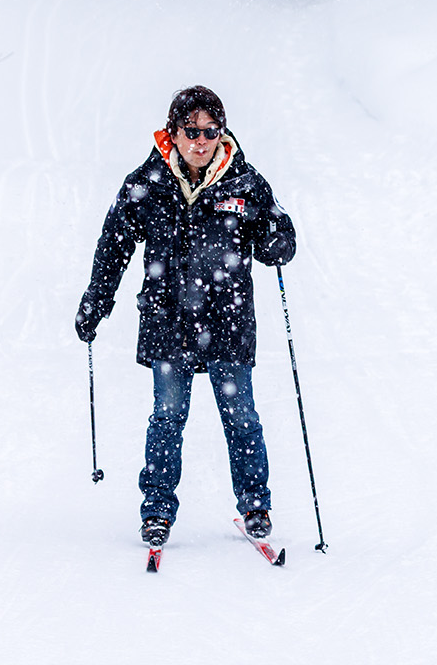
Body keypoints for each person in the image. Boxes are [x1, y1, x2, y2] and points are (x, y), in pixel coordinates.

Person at [74, 85, 297, 549]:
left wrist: (278, 240)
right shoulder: (146, 183)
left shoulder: (244, 182)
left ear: (222, 132)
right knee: (168, 415)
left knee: (241, 415)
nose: (200, 141)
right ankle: (156, 511)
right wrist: (97, 300)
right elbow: (113, 245)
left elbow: (278, 230)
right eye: (190, 131)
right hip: (169, 318)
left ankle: (255, 505)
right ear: (171, 133)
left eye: (210, 131)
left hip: (228, 319)